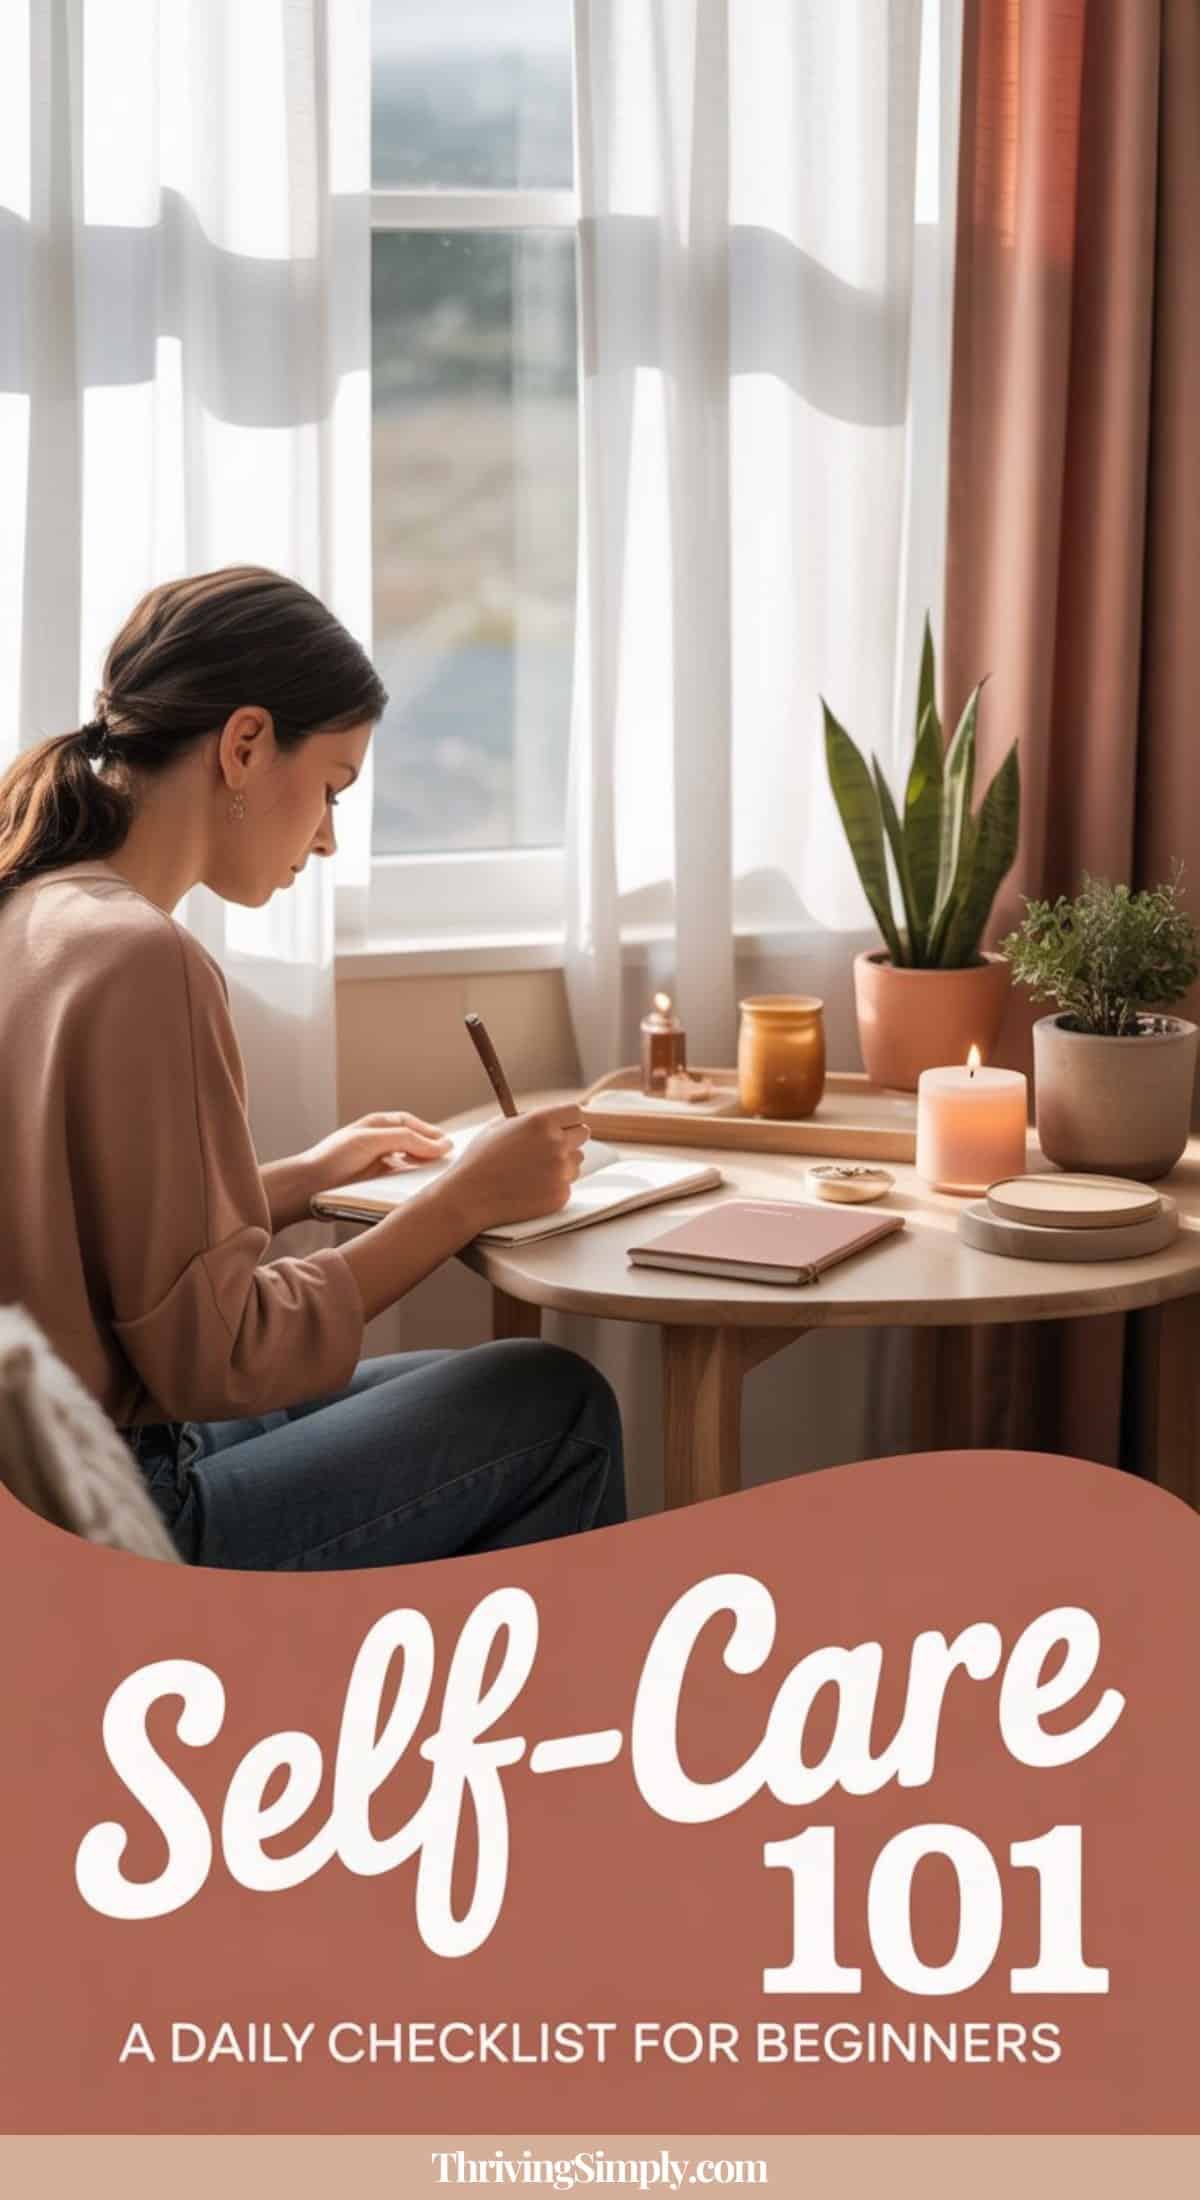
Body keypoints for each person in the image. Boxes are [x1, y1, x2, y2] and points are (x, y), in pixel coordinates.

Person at [0, 565, 625, 1569]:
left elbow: (79, 1237)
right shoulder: (144, 961)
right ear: (245, 744)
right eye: (332, 786)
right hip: (121, 1513)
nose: (330, 836)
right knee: (557, 1406)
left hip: (53, 1472)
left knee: (490, 1386)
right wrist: (462, 1200)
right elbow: (220, 1354)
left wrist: (298, 1180)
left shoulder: (36, 906)